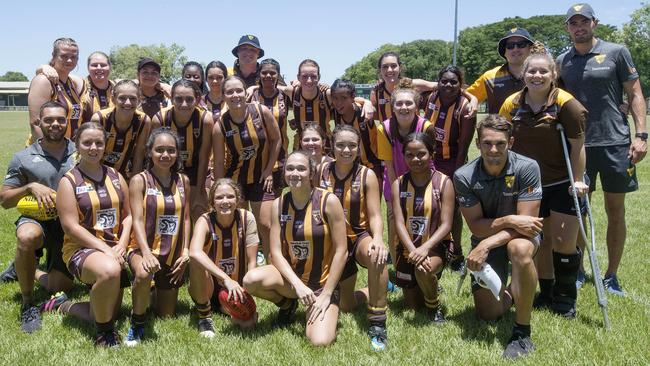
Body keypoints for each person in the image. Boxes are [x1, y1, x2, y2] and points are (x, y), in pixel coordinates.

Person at [557, 3, 647, 296]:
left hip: (615, 143)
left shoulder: (617, 52)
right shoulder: (562, 61)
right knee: (579, 211)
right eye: (573, 23)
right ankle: (580, 270)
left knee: (615, 210)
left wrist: (641, 135)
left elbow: (634, 94)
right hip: (577, 145)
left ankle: (610, 276)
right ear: (567, 27)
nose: (578, 27)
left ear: (594, 23)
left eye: (584, 21)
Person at [500, 44, 588, 317]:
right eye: (531, 71)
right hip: (528, 186)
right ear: (524, 74)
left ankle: (565, 297)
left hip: (561, 181)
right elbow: (504, 140)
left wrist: (576, 180)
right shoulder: (512, 104)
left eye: (542, 71)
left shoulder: (566, 104)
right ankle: (546, 291)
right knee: (541, 241)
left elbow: (578, 146)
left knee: (562, 240)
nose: (536, 76)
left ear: (553, 74)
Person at [453, 115, 542, 359]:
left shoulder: (527, 167)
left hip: (516, 238)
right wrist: (510, 220)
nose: (494, 150)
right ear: (477, 144)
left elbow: (528, 225)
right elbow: (475, 226)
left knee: (520, 250)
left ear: (510, 142)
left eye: (500, 143)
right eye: (487, 143)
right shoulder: (463, 176)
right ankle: (516, 290)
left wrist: (489, 242)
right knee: (488, 314)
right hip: (486, 238)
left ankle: (522, 331)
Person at [243, 150, 348, 347]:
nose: (295, 173)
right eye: (290, 168)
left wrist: (326, 293)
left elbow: (342, 251)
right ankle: (287, 305)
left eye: (301, 168)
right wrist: (298, 286)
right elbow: (275, 252)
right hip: (293, 281)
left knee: (320, 341)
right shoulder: (279, 204)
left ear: (311, 173)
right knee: (251, 280)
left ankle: (328, 304)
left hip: (321, 284)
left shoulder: (328, 201)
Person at [0, 102, 76, 333]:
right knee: (27, 236)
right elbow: (4, 200)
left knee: (60, 286)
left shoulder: (80, 151)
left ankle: (26, 267)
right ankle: (27, 303)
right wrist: (29, 187)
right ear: (38, 122)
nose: (55, 124)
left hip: (69, 224)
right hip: (37, 219)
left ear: (67, 122)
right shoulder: (24, 157)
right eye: (49, 119)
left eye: (61, 119)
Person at [56, 122, 132, 347]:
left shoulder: (116, 176)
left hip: (113, 249)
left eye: (98, 143)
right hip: (81, 249)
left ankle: (63, 305)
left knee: (101, 311)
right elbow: (71, 227)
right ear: (77, 145)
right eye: (87, 142)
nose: (93, 147)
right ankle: (105, 335)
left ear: (105, 146)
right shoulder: (69, 181)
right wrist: (107, 250)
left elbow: (128, 217)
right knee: (109, 271)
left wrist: (122, 244)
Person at [316, 125, 389, 350]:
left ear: (358, 148)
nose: (345, 150)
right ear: (332, 146)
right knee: (347, 306)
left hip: (358, 236)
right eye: (340, 145)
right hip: (332, 241)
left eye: (351, 145)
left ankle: (377, 322)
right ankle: (371, 289)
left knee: (376, 256)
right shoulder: (321, 170)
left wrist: (377, 238)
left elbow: (376, 214)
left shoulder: (366, 175)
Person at [125, 128, 191, 345]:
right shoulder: (139, 180)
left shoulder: (183, 180)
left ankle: (151, 291)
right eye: (159, 150)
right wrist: (145, 253)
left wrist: (185, 251)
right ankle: (137, 321)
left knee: (166, 315)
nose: (165, 155)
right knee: (144, 274)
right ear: (150, 152)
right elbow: (137, 220)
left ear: (177, 153)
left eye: (171, 150)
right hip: (142, 247)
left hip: (171, 251)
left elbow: (187, 218)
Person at [213, 76, 281, 260]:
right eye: (229, 92)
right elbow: (219, 162)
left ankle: (272, 265)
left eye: (238, 90)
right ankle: (243, 266)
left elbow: (276, 140)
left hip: (261, 178)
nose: (235, 95)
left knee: (265, 225)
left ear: (246, 92)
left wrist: (268, 171)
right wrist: (221, 188)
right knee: (241, 226)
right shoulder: (220, 125)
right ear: (223, 96)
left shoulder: (260, 111)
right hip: (236, 182)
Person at [391, 133, 454, 323]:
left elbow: (446, 224)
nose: (415, 159)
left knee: (423, 270)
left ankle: (434, 308)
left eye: (421, 154)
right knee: (412, 306)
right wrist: (412, 250)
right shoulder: (398, 184)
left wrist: (425, 249)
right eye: (409, 155)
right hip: (407, 249)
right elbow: (399, 223)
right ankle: (424, 285)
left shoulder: (444, 182)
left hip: (435, 246)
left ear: (431, 154)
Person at [188, 178, 259, 337]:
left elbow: (252, 261)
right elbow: (194, 252)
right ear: (212, 201)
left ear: (238, 199)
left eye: (230, 196)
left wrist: (247, 294)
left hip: (234, 291)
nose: (225, 201)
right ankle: (204, 316)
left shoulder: (247, 218)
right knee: (196, 260)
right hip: (208, 285)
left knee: (248, 325)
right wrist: (225, 279)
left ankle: (225, 308)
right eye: (219, 197)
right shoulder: (205, 220)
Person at [423, 66, 477, 270]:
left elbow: (463, 146)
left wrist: (456, 173)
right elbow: (409, 83)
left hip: (452, 161)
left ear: (460, 85)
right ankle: (434, 247)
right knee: (429, 204)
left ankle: (457, 255)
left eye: (453, 82)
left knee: (451, 209)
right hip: (429, 159)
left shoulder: (465, 107)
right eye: (444, 81)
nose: (448, 85)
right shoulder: (431, 98)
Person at [376, 80, 435, 262]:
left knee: (424, 220)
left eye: (408, 103)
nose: (404, 107)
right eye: (399, 103)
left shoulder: (426, 127)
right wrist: (397, 196)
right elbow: (389, 165)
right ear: (392, 107)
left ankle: (427, 257)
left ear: (416, 106)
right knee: (394, 219)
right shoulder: (383, 128)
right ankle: (397, 262)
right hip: (395, 180)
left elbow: (430, 161)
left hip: (423, 179)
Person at [152, 79, 212, 221]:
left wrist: (200, 190)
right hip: (168, 169)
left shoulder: (205, 119)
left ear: (197, 100)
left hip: (197, 169)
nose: (184, 104)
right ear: (171, 98)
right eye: (178, 99)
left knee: (199, 210)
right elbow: (155, 154)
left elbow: (204, 157)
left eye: (189, 99)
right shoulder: (160, 119)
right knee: (170, 210)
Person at [370, 51, 477, 123]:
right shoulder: (376, 91)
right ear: (380, 70)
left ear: (400, 67)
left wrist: (473, 98)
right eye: (385, 67)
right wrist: (365, 103)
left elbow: (446, 86)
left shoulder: (414, 84)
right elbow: (373, 115)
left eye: (393, 66)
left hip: (412, 142)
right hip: (388, 141)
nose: (389, 70)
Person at [90, 80, 152, 178]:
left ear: (139, 100)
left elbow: (139, 155)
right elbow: (92, 152)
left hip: (123, 174)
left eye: (132, 98)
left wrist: (134, 181)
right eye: (122, 98)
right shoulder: (100, 119)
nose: (128, 103)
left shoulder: (144, 121)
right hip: (97, 171)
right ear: (113, 99)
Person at [28, 38, 86, 141]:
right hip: (49, 150)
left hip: (69, 149)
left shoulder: (73, 83)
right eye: (64, 56)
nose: (69, 60)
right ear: (54, 56)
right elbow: (35, 123)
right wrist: (47, 153)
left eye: (74, 57)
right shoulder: (43, 81)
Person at [467, 28, 534, 113]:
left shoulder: (542, 75)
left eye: (521, 44)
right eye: (510, 46)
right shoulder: (490, 77)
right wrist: (473, 98)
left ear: (531, 49)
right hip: (499, 126)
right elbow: (464, 97)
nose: (515, 49)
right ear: (504, 52)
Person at [331, 79, 383, 189]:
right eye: (335, 98)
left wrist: (367, 102)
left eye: (344, 98)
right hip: (349, 164)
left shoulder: (364, 111)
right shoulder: (335, 111)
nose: (339, 102)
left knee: (372, 203)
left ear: (352, 97)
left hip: (372, 165)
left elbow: (373, 109)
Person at [250, 58, 290, 196]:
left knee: (275, 201)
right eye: (264, 72)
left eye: (272, 73)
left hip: (279, 157)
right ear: (259, 75)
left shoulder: (286, 96)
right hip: (255, 158)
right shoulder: (250, 96)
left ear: (278, 75)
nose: (268, 76)